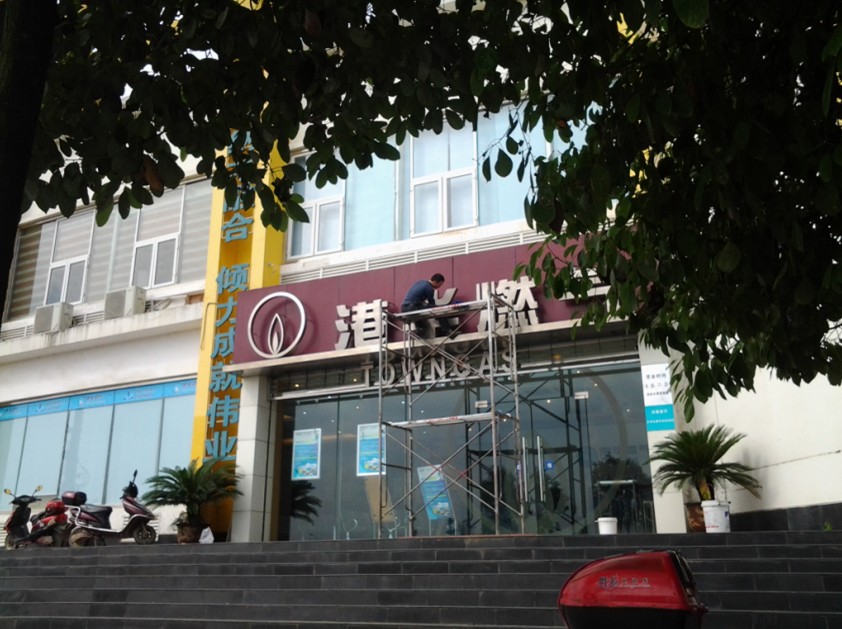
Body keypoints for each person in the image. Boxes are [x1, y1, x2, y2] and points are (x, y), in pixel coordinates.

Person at [401, 273, 452, 337]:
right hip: (413, 307)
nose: (439, 287)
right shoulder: (429, 288)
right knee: (439, 310)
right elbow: (432, 304)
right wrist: (437, 315)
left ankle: (420, 329)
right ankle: (447, 331)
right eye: (440, 284)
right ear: (435, 282)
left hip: (405, 308)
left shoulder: (420, 282)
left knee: (419, 317)